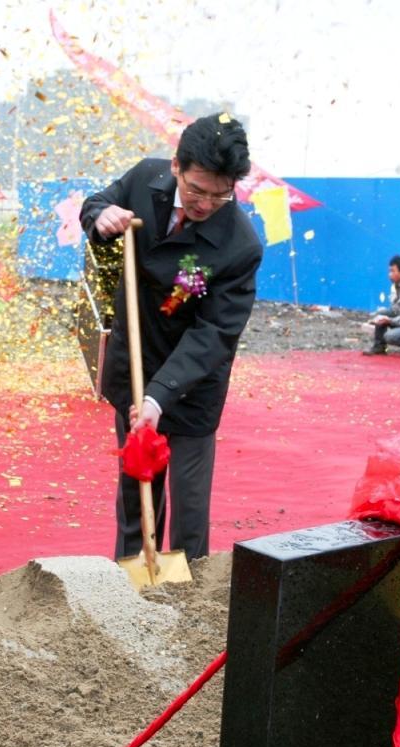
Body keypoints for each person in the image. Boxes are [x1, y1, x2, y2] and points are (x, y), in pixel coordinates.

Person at [79, 112, 263, 562]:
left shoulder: (239, 244)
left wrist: (159, 398)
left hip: (191, 383)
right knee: (136, 496)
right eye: (196, 190)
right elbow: (96, 204)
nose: (205, 204)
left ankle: (190, 587)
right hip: (136, 361)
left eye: (220, 195)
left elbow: (214, 334)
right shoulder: (146, 178)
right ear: (177, 165)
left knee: (189, 511)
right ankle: (129, 576)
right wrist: (101, 216)